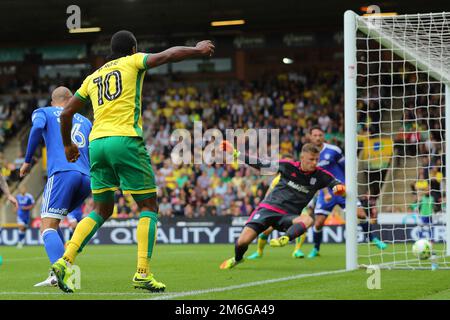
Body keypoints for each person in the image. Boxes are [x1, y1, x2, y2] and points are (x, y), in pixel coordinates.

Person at [51, 30, 215, 293]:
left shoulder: (93, 77)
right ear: (134, 47)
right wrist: (197, 50)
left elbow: (67, 112)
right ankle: (142, 273)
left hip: (97, 144)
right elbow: (168, 55)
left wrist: (68, 144)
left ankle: (64, 260)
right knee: (148, 205)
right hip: (125, 140)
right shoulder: (133, 61)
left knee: (101, 210)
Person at [219, 141, 346, 270]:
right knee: (242, 242)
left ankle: (285, 238)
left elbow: (335, 183)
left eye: (316, 160)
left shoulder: (321, 175)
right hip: (268, 209)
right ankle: (237, 259)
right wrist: (236, 154)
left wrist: (339, 188)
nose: (314, 163)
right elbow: (261, 164)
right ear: (302, 158)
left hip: (288, 216)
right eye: (311, 159)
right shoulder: (287, 166)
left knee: (308, 219)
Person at [20, 86, 92, 288]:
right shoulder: (85, 121)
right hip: (86, 178)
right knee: (56, 222)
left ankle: (60, 272)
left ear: (53, 102)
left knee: (46, 226)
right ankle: (61, 272)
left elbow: (35, 129)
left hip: (62, 173)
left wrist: (27, 161)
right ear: (71, 100)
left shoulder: (44, 112)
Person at [304, 126, 387, 259]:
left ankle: (373, 239)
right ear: (310, 137)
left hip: (343, 190)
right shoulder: (308, 155)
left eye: (320, 135)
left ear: (323, 136)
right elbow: (313, 176)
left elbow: (346, 167)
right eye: (315, 135)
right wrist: (324, 192)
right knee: (318, 223)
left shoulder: (333, 150)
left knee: (360, 214)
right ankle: (316, 249)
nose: (318, 137)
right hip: (326, 194)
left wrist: (348, 184)